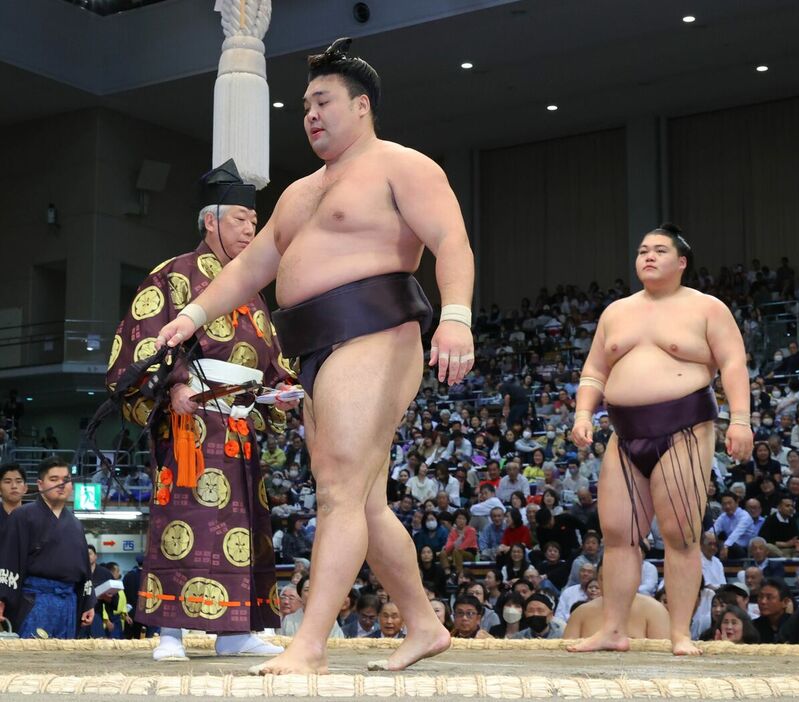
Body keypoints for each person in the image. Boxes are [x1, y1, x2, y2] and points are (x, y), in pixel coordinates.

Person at [157, 38, 474, 674]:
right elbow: (252, 266)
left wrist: (458, 318)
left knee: (336, 492)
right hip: (312, 344)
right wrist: (191, 314)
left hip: (375, 328)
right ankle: (422, 623)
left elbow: (452, 241)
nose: (310, 114)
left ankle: (310, 644)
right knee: (363, 500)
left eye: (323, 101)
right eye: (304, 105)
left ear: (362, 106)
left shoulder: (402, 166)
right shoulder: (300, 192)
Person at [107, 160, 293, 661]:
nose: (250, 229)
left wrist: (283, 391)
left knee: (243, 524)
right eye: (240, 219)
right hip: (190, 423)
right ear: (210, 220)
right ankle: (169, 633)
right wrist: (171, 387)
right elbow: (139, 347)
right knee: (184, 519)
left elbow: (272, 357)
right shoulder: (172, 277)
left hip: (238, 424)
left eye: (254, 222)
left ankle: (234, 632)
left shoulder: (251, 291)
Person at [568, 224, 752, 656]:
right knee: (616, 534)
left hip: (683, 428)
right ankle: (614, 628)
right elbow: (595, 370)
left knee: (680, 534)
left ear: (682, 262)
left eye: (660, 251)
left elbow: (733, 363)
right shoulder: (616, 312)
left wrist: (740, 420)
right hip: (623, 432)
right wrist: (582, 413)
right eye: (642, 251)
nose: (648, 256)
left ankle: (681, 633)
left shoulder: (707, 308)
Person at [0, 457, 96, 638]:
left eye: (66, 480)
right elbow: (9, 560)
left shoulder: (76, 524)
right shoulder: (22, 516)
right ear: (40, 484)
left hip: (69, 602)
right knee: (32, 660)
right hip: (34, 601)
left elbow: (84, 569)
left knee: (63, 662)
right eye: (54, 479)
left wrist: (88, 602)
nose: (61, 484)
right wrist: (2, 598)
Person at [0, 463, 27, 530]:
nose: (14, 486)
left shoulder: (35, 516)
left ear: (25, 488)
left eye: (18, 481)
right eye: (8, 482)